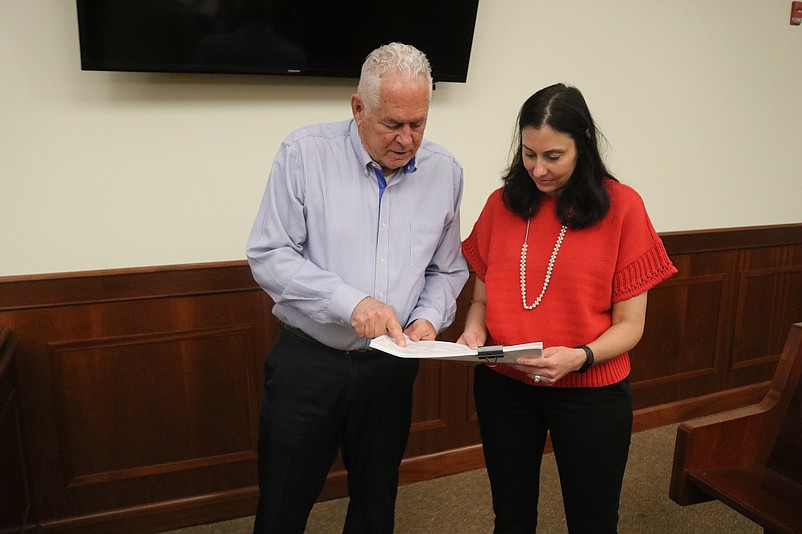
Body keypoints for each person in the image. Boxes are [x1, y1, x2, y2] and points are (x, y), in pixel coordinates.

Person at [246, 42, 468, 534]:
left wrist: (428, 317)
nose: (407, 139)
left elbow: (447, 269)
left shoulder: (445, 172)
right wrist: (350, 302)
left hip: (390, 369)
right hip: (310, 363)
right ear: (358, 108)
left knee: (375, 502)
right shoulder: (304, 154)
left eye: (418, 123)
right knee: (283, 503)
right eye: (393, 123)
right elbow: (269, 254)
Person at [457, 83, 677, 534]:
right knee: (511, 515)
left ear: (584, 145)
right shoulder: (502, 204)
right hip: (504, 386)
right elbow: (481, 299)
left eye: (553, 156)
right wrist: (474, 333)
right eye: (529, 154)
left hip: (590, 390)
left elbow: (630, 326)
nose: (538, 168)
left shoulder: (623, 207)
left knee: (593, 519)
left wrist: (580, 356)